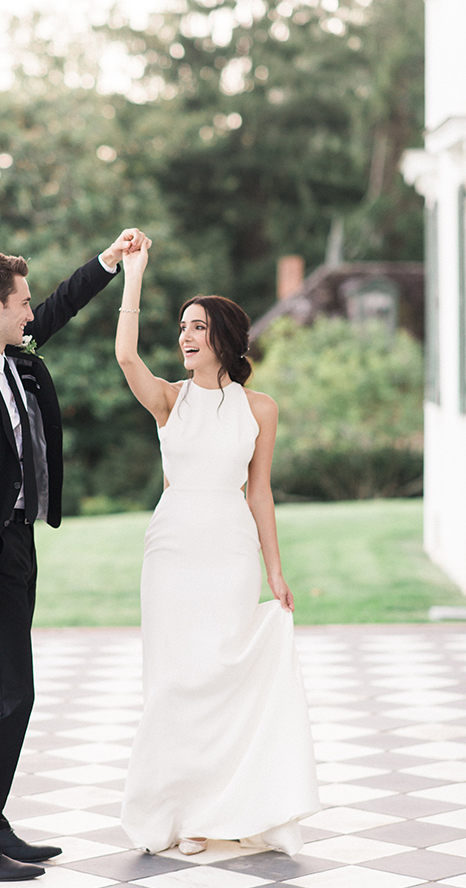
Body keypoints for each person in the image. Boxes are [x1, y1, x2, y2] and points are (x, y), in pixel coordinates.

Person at [0, 228, 147, 882]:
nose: (30, 312)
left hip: (16, 543)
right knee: (11, 696)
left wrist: (108, 262)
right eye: (20, 303)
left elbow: (58, 309)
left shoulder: (13, 355)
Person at [115, 239, 320, 857]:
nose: (185, 338)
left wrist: (276, 571)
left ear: (225, 338)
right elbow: (126, 355)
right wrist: (135, 274)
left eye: (198, 328)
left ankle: (222, 806)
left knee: (221, 671)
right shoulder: (170, 399)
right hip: (172, 550)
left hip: (231, 551)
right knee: (175, 678)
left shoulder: (261, 409)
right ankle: (181, 809)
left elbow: (260, 492)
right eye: (182, 328)